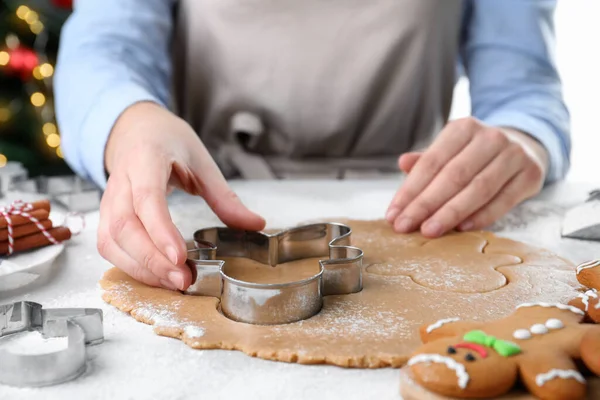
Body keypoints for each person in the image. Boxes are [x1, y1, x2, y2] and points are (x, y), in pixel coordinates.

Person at [54, 0, 570, 292]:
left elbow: (524, 89)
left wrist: (523, 140)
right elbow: (104, 47)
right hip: (209, 198)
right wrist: (129, 123)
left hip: (411, 204)